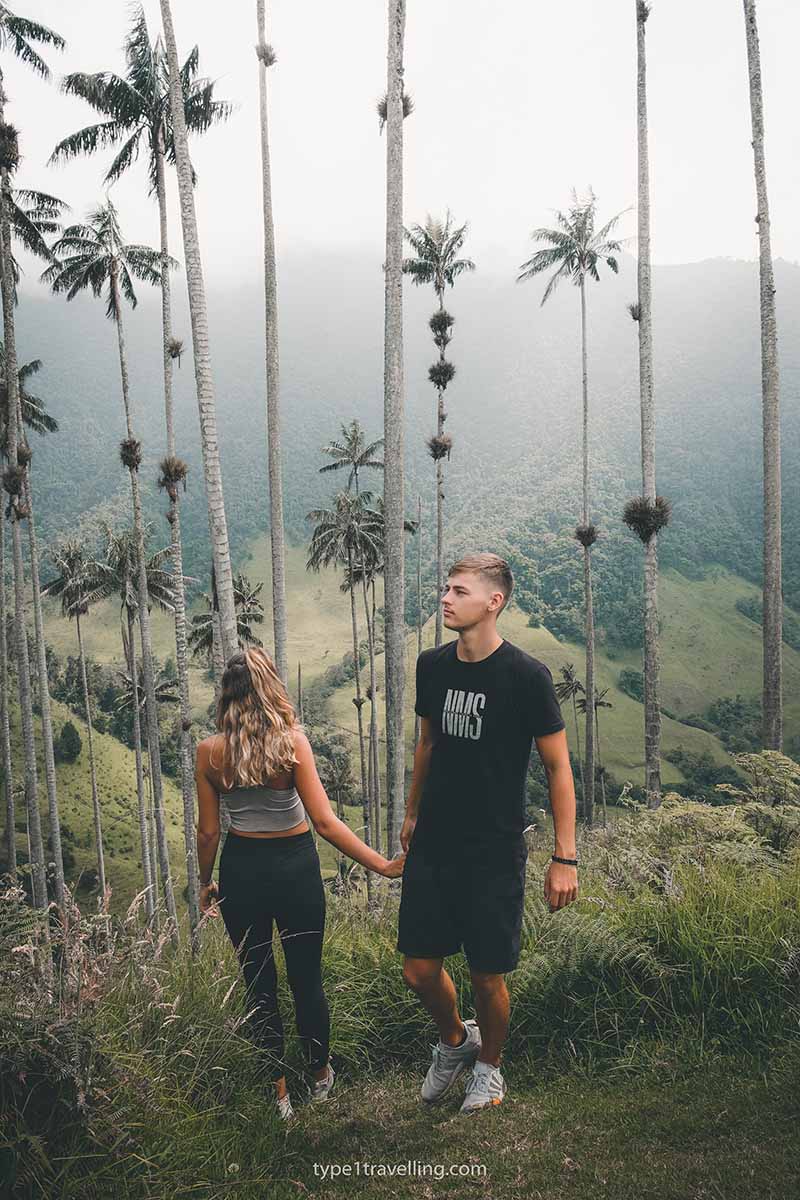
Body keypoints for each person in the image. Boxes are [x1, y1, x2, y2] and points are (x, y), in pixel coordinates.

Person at [397, 551, 579, 1114]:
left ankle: (490, 1067)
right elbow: (427, 743)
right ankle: (456, 1041)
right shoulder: (432, 665)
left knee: (487, 977)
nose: (445, 599)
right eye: (445, 589)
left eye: (458, 591)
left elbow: (557, 767)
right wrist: (411, 812)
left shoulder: (527, 676)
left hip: (494, 848)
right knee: (419, 969)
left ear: (493, 602)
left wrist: (564, 856)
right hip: (434, 840)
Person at [194, 646, 405, 1122]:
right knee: (306, 979)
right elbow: (326, 823)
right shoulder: (291, 745)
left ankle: (279, 1093)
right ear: (271, 687)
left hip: (242, 871)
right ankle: (320, 1075)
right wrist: (383, 866)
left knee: (258, 982)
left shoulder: (208, 753)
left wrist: (206, 883)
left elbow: (208, 832)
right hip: (295, 868)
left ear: (225, 696)